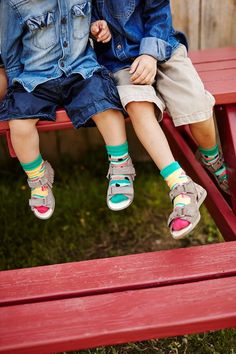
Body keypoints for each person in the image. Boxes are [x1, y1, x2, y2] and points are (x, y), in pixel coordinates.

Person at [91, 0, 229, 239]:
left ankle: (212, 160)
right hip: (120, 62)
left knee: (196, 105)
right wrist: (95, 27)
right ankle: (181, 187)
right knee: (136, 103)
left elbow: (159, 14)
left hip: (164, 49)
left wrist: (149, 54)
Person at [0, 0, 136, 220]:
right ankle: (38, 178)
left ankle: (120, 166)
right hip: (36, 77)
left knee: (106, 107)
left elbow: (90, 18)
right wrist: (17, 87)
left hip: (80, 70)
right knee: (19, 123)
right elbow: (9, 46)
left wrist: (96, 27)